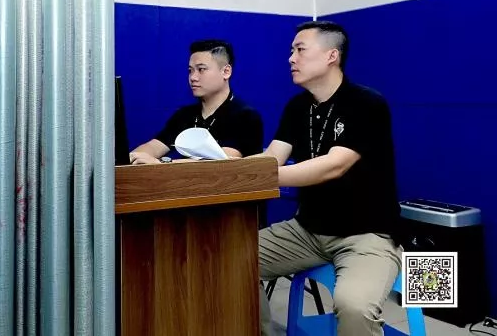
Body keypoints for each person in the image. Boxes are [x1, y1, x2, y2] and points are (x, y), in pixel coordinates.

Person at [253, 21, 402, 336]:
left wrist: (259, 177)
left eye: (300, 50)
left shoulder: (367, 103)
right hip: (306, 230)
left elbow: (334, 166)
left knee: (355, 307)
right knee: (231, 261)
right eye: (291, 51)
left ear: (331, 55)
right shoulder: (297, 106)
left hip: (364, 235)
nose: (291, 58)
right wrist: (229, 169)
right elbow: (272, 156)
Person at [130, 39, 264, 164]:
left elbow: (219, 163)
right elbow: (154, 146)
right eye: (190, 71)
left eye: (201, 70)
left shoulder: (245, 116)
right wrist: (133, 157)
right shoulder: (184, 115)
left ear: (226, 71)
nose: (193, 77)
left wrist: (162, 164)